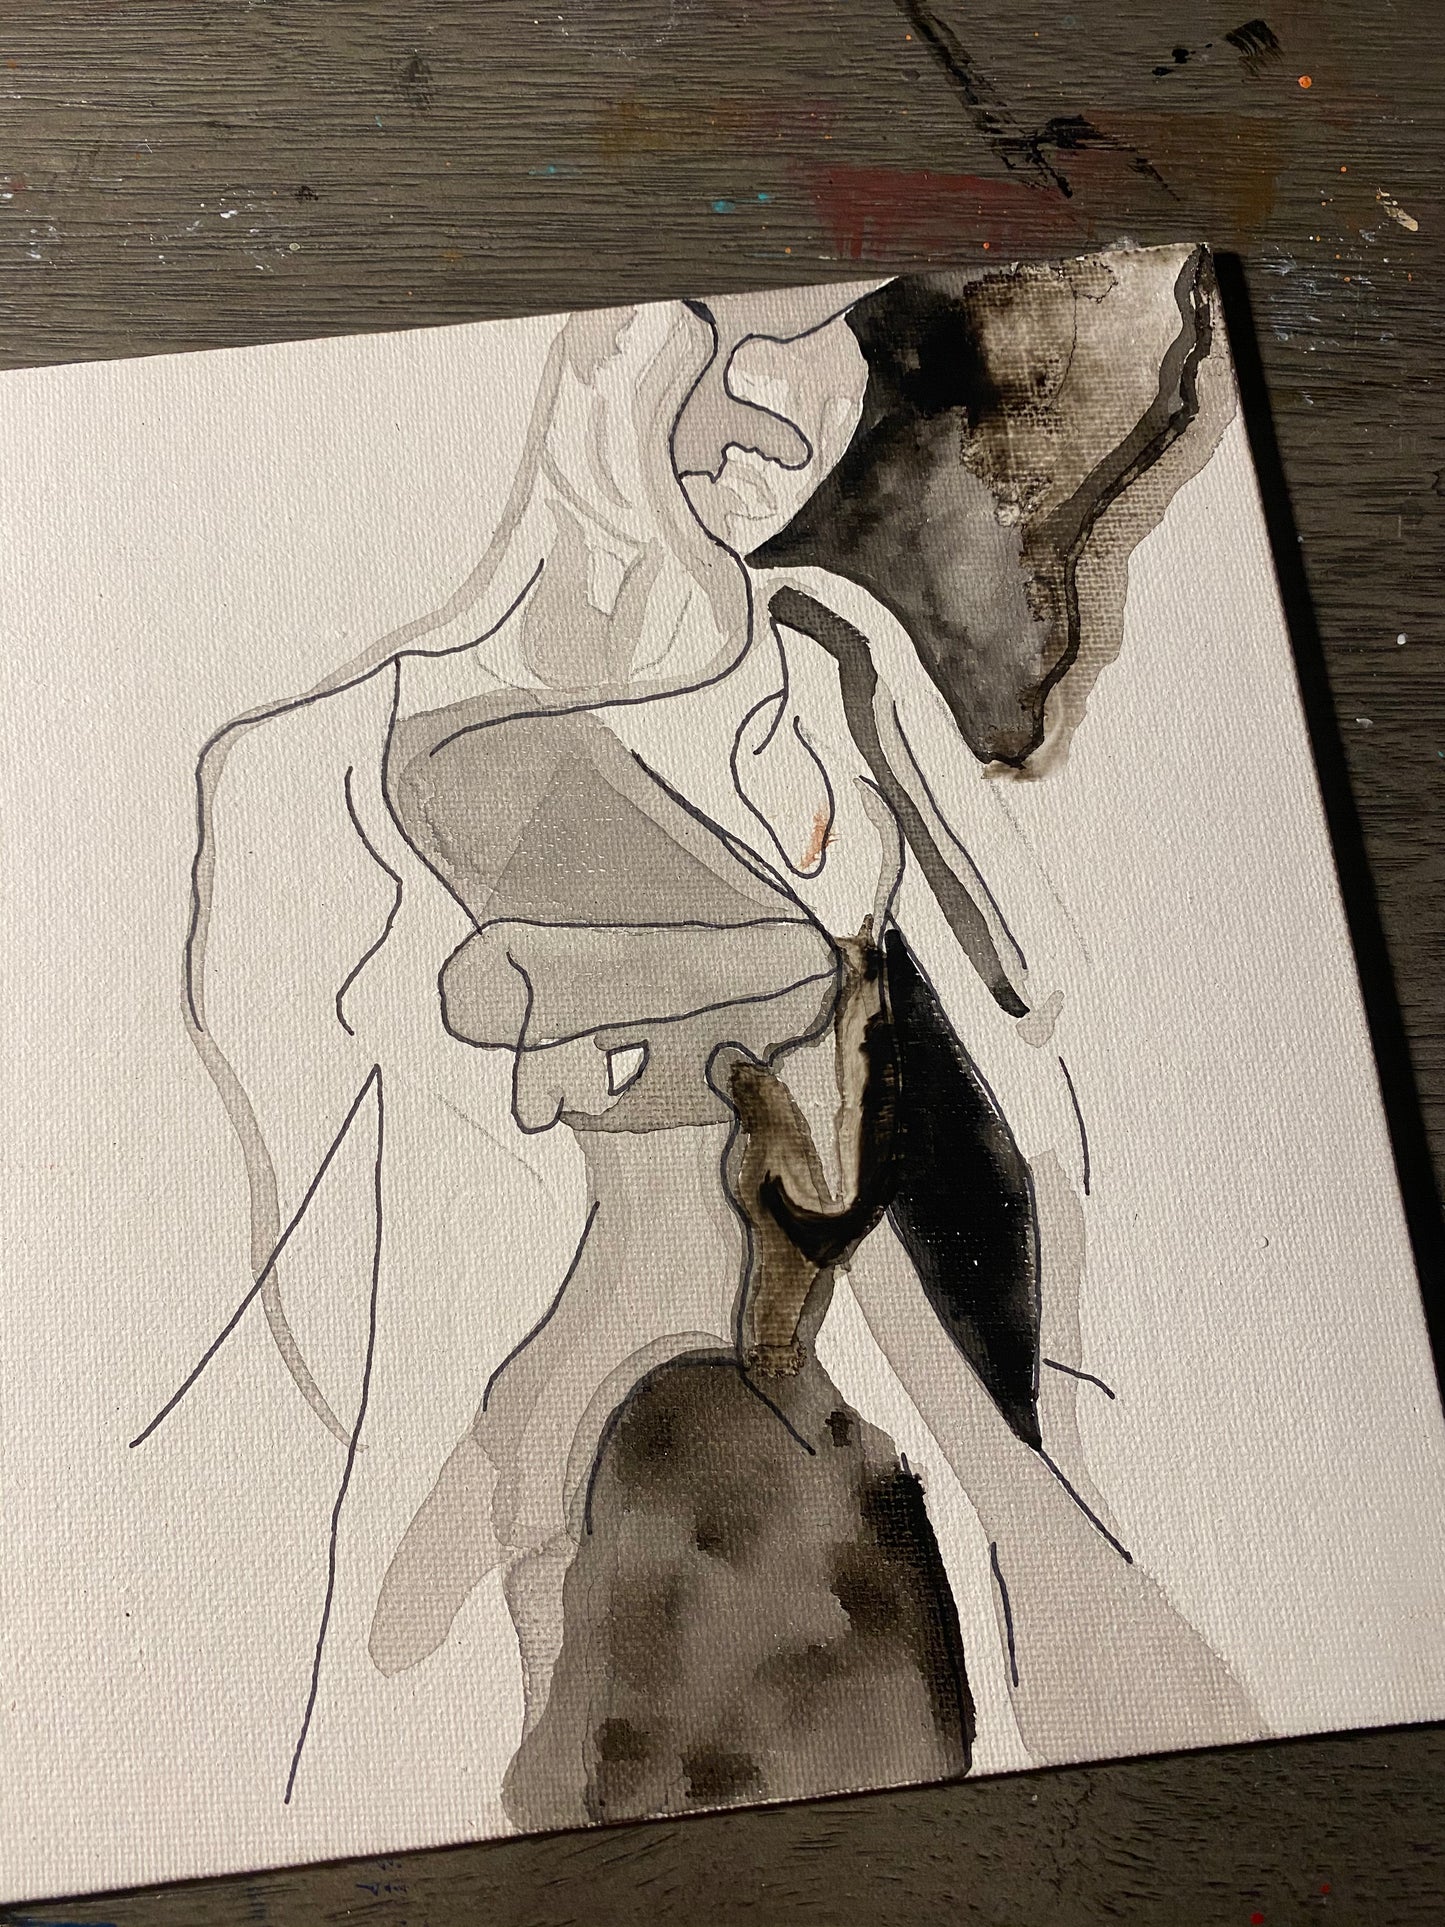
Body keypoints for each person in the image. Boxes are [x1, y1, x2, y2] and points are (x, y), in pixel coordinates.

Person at [144, 268, 1262, 1823]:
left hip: (791, 1416)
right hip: (612, 1451)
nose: (771, 402)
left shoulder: (826, 658)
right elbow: (313, 1294)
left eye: (815, 340)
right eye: (706, 338)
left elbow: (1009, 1055)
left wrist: (1044, 1519)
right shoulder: (337, 763)